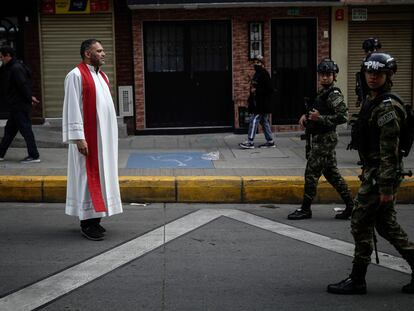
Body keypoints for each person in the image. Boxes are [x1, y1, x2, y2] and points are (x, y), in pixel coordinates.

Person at [327, 53, 414, 295]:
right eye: (369, 73)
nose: (373, 77)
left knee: (360, 222)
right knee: (386, 226)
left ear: (389, 75)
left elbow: (390, 153)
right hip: (375, 172)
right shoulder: (372, 101)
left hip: (382, 176)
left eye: (378, 73)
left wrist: (385, 188)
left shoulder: (387, 108)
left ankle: (357, 279)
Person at [62, 39, 123, 241]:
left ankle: (96, 220)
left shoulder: (102, 76)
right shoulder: (76, 75)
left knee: (101, 177)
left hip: (102, 139)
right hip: (87, 139)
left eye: (103, 50)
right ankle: (87, 223)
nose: (103, 53)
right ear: (88, 54)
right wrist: (78, 137)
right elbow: (72, 107)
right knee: (87, 178)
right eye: (99, 50)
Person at [287, 59, 354, 220]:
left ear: (334, 76)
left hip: (325, 139)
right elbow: (315, 109)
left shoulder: (334, 94)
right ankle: (351, 205)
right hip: (319, 138)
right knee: (331, 174)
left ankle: (305, 209)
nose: (324, 78)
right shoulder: (322, 93)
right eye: (322, 75)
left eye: (328, 75)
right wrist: (306, 116)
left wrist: (319, 118)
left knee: (311, 173)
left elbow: (343, 116)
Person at [0, 46, 41, 163]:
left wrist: (30, 98)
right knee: (9, 131)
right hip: (16, 105)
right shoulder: (11, 67)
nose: (1, 59)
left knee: (26, 130)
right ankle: (1, 153)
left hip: (19, 105)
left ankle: (34, 155)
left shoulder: (15, 68)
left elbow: (23, 85)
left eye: (2, 56)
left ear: (8, 55)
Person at [239, 55, 275, 149]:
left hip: (262, 104)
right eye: (255, 62)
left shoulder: (264, 74)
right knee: (264, 121)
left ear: (263, 64)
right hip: (257, 102)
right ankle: (270, 141)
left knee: (254, 120)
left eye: (258, 62)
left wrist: (257, 90)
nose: (255, 64)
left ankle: (250, 142)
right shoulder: (257, 74)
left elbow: (270, 89)